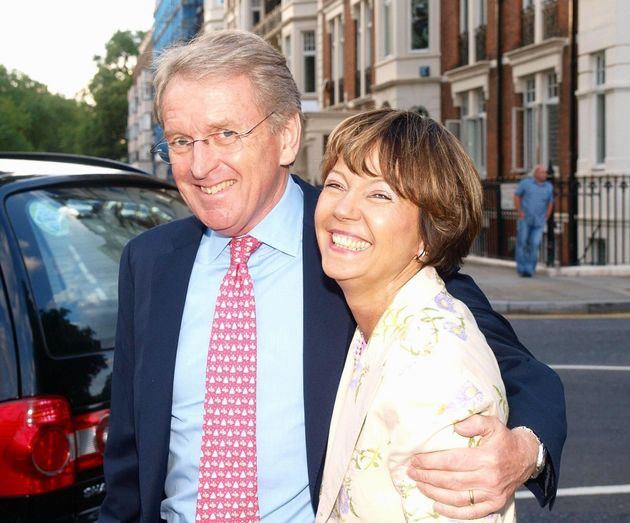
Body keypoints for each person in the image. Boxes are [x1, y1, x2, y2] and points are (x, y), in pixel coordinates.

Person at [100, 29, 566, 522]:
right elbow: (129, 458)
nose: (199, 164)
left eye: (225, 134)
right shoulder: (148, 262)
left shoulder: (357, 246)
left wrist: (525, 451)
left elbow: (515, 370)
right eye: (180, 140)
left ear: (286, 136)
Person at [314, 109, 515, 522]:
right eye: (336, 184)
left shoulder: (432, 366)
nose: (344, 209)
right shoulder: (382, 325)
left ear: (430, 234)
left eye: (380, 194)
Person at [513, 165, 554, 277]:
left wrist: (547, 216)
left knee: (535, 244)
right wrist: (520, 211)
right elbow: (517, 196)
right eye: (542, 172)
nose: (545, 175)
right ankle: (522, 268)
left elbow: (550, 202)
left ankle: (529, 269)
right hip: (525, 219)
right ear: (536, 173)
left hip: (539, 221)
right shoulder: (525, 183)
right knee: (522, 242)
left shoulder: (549, 187)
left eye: (545, 173)